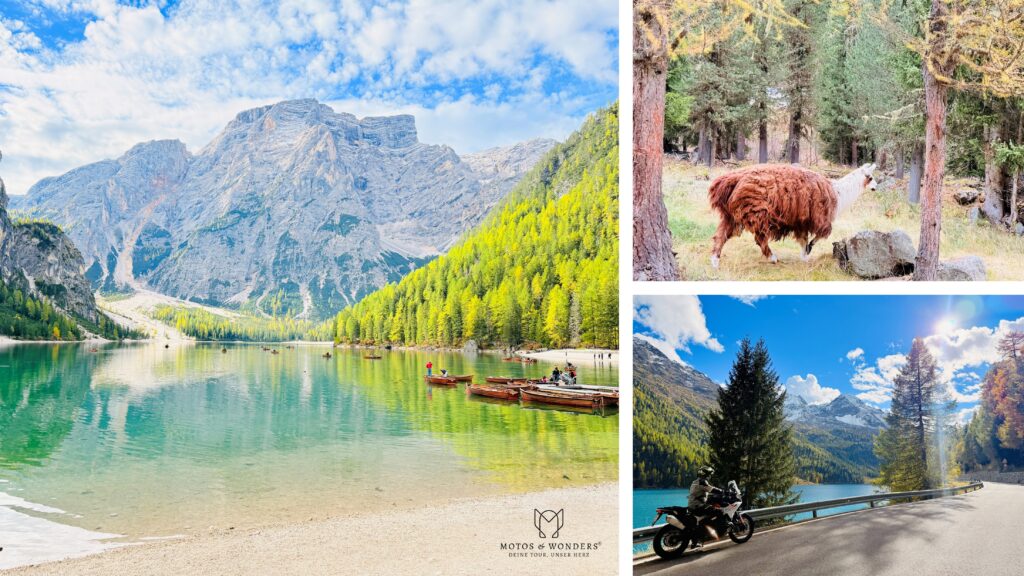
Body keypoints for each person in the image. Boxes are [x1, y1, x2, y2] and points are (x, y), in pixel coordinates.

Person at [688, 466, 724, 532]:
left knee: (712, 509)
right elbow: (711, 489)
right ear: (706, 475)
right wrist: (722, 491)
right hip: (698, 506)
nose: (710, 476)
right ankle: (708, 530)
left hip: (693, 505)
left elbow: (702, 492)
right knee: (719, 511)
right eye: (709, 475)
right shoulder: (702, 482)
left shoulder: (696, 481)